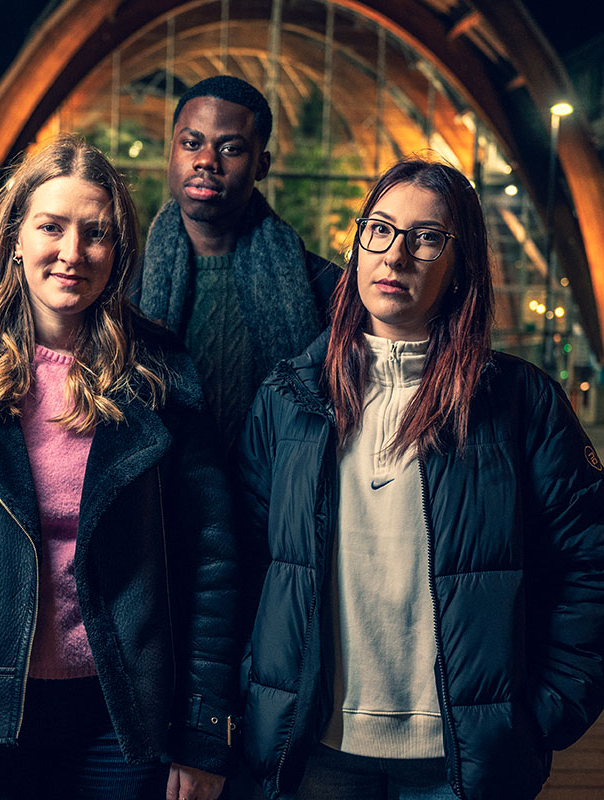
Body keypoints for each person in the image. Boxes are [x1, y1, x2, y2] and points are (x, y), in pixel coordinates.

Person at [0, 134, 239, 800]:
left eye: (95, 234)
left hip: (117, 720)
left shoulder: (161, 376)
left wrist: (205, 727)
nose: (71, 253)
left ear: (117, 254)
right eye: (52, 227)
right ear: (15, 237)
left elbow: (211, 559)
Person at [237, 159, 604, 799]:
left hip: (461, 757)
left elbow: (591, 562)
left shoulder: (521, 402)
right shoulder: (290, 397)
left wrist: (543, 713)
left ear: (460, 267)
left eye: (427, 237)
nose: (397, 254)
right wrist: (255, 688)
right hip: (316, 747)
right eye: (379, 229)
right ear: (357, 247)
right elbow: (240, 560)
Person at [139, 75, 337, 451]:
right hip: (168, 503)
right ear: (172, 152)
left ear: (261, 165)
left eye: (230, 149)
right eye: (191, 143)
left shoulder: (323, 287)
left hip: (279, 501)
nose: (206, 161)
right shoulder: (127, 285)